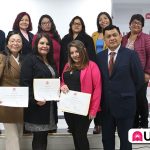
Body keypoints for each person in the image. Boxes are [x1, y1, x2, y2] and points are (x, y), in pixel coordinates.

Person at [97, 25, 144, 150]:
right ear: (105, 40)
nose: (112, 38)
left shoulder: (131, 55)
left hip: (126, 106)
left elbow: (139, 80)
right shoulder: (99, 57)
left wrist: (127, 94)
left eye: (114, 35)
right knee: (107, 140)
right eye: (108, 36)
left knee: (125, 142)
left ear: (120, 36)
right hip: (106, 107)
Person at [60, 40, 102, 150]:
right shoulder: (67, 66)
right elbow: (62, 81)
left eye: (77, 51)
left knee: (81, 135)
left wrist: (93, 110)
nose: (75, 55)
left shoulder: (92, 66)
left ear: (83, 50)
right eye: (72, 52)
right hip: (69, 108)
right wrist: (62, 85)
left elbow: (97, 88)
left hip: (84, 109)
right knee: (74, 134)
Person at [20, 33, 58, 150]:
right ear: (36, 44)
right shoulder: (29, 60)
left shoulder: (50, 61)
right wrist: (34, 99)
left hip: (49, 108)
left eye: (47, 44)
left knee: (43, 138)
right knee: (38, 139)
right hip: (36, 108)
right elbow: (24, 84)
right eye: (42, 43)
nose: (44, 46)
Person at [122, 14, 150, 128]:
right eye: (134, 22)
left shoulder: (146, 38)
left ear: (142, 26)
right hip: (126, 75)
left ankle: (144, 124)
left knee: (141, 99)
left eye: (139, 23)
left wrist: (147, 72)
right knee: (130, 99)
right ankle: (133, 124)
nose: (136, 24)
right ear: (130, 24)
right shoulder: (124, 38)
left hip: (141, 74)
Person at [0, 31, 23, 150]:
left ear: (22, 44)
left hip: (21, 104)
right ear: (7, 44)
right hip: (7, 104)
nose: (15, 43)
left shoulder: (25, 60)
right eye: (12, 41)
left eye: (18, 41)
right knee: (12, 137)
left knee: (18, 135)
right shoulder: (2, 58)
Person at [92, 12, 112, 134]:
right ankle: (97, 124)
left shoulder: (112, 33)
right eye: (100, 19)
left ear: (109, 20)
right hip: (95, 67)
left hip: (109, 67)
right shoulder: (94, 35)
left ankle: (109, 122)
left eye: (105, 18)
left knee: (107, 95)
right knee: (97, 95)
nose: (103, 21)